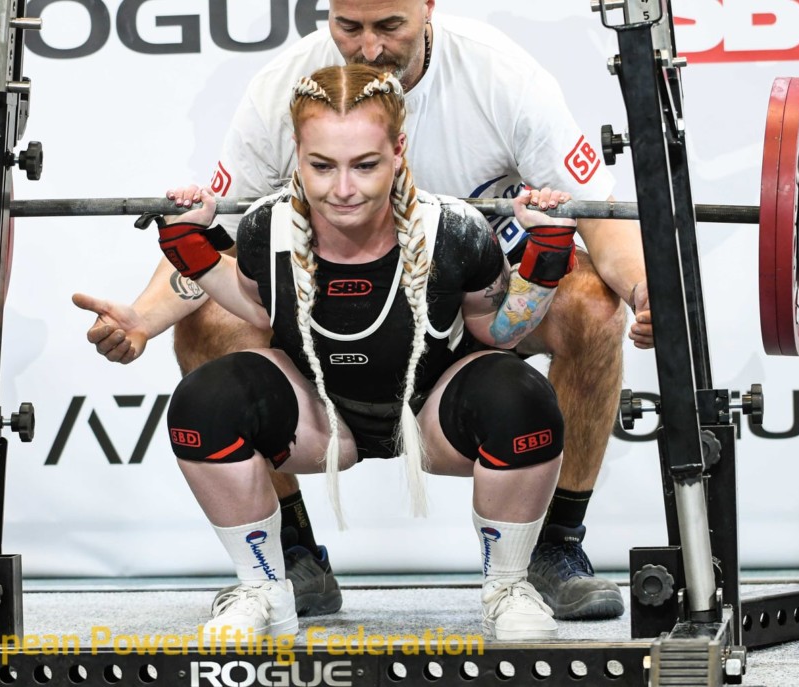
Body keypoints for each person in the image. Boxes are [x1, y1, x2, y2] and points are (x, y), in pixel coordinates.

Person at [75, 0, 652, 621]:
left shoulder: (502, 79)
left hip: (470, 302)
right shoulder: (282, 89)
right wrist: (142, 317)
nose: (369, 48)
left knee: (593, 304)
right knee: (208, 325)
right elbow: (222, 247)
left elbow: (596, 215)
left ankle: (553, 546)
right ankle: (289, 557)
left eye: (390, 26)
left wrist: (647, 293)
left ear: (427, 8)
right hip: (329, 326)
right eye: (349, 27)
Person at [160, 64, 588, 640]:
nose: (343, 189)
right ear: (297, 153)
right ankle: (263, 588)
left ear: (397, 150)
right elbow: (261, 309)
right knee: (204, 402)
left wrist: (547, 255)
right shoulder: (266, 227)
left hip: (432, 416)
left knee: (522, 397)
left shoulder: (455, 229)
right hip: (319, 420)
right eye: (321, 166)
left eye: (364, 165)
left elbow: (500, 332)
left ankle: (508, 587)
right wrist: (193, 246)